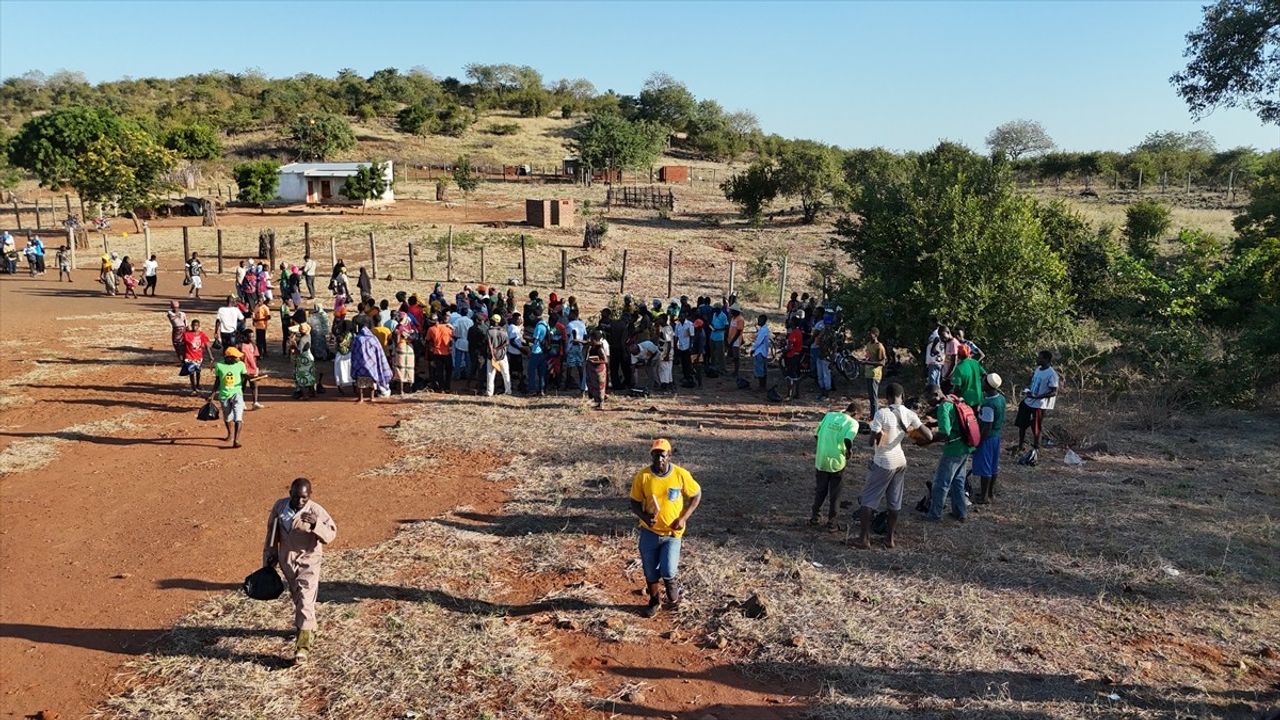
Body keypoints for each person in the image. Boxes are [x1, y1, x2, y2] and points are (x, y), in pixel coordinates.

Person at [262, 477, 337, 663]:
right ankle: (309, 627)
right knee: (298, 597)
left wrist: (315, 525)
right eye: (296, 497)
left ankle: (302, 648)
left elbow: (331, 534)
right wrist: (269, 556)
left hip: (309, 561)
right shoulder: (280, 507)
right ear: (290, 494)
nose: (300, 501)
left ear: (309, 496)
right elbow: (272, 532)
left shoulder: (316, 511)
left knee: (305, 599)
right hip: (287, 560)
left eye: (304, 498)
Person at [629, 438, 702, 617]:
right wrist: (645, 517)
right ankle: (654, 601)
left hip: (672, 533)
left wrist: (684, 517)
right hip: (650, 532)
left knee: (668, 569)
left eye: (662, 455)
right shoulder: (643, 476)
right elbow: (634, 502)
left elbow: (696, 494)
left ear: (669, 455)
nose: (658, 459)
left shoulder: (680, 474)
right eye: (655, 455)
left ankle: (670, 581)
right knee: (649, 570)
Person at [852, 382, 930, 549]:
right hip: (900, 461)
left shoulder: (882, 413)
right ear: (902, 396)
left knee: (868, 500)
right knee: (894, 502)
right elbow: (928, 435)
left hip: (883, 462)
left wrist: (877, 436)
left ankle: (863, 539)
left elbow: (872, 440)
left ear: (887, 398)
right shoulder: (910, 414)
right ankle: (890, 539)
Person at [926, 387, 975, 522]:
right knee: (958, 481)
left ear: (935, 394)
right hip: (965, 446)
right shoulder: (953, 398)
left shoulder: (943, 407)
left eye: (929, 398)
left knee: (941, 482)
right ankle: (960, 512)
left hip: (953, 449)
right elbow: (955, 419)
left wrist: (928, 439)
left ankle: (935, 514)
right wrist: (935, 423)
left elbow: (945, 432)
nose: (928, 403)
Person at [811, 403, 859, 530]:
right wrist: (849, 451)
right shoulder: (852, 423)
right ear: (855, 414)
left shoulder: (829, 415)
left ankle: (815, 517)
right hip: (837, 461)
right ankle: (832, 523)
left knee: (820, 490)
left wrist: (824, 446)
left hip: (821, 459)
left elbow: (816, 434)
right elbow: (848, 440)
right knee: (835, 493)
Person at [1015, 350, 1059, 457]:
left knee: (1036, 426)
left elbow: (1054, 392)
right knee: (1022, 424)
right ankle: (1020, 446)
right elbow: (1033, 382)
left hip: (1039, 404)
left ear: (1046, 360)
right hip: (1029, 400)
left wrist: (1037, 397)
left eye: (1040, 358)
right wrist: (1029, 391)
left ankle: (1036, 448)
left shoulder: (1052, 374)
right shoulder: (1038, 369)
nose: (1037, 359)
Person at [972, 373, 1006, 504]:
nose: (981, 384)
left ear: (988, 385)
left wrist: (978, 442)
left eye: (983, 382)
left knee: (985, 468)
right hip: (996, 436)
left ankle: (984, 496)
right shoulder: (1001, 398)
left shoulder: (988, 404)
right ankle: (990, 493)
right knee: (993, 466)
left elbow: (987, 425)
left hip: (987, 438)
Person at [207, 346, 247, 448]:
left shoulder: (241, 365)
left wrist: (251, 379)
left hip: (237, 393)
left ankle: (236, 440)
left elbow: (245, 376)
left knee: (238, 417)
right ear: (229, 357)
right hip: (224, 395)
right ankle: (230, 434)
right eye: (236, 357)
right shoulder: (219, 365)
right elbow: (217, 381)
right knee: (228, 417)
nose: (238, 359)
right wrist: (212, 394)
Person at [351, 322, 393, 402]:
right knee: (372, 379)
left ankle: (361, 398)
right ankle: (372, 397)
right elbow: (378, 350)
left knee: (360, 381)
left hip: (360, 362)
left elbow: (354, 351)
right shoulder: (373, 338)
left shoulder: (357, 338)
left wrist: (355, 361)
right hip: (371, 362)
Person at [949, 344, 985, 408]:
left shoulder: (959, 367)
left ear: (959, 355)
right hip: (978, 397)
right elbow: (984, 375)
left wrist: (951, 394)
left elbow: (957, 387)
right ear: (969, 353)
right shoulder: (975, 363)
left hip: (966, 401)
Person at [288, 323, 318, 399]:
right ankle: (312, 392)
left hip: (303, 359)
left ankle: (305, 395)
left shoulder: (302, 339)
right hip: (309, 357)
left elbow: (299, 351)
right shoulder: (308, 336)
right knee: (310, 375)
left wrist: (293, 344)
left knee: (301, 377)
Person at [485, 311, 511, 397]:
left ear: (494, 321)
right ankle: (508, 390)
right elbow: (507, 343)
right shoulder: (503, 331)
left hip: (492, 356)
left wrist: (493, 352)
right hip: (502, 355)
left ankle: (489, 392)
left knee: (490, 375)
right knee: (505, 373)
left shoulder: (489, 331)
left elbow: (489, 344)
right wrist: (499, 348)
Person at [181, 319, 211, 394]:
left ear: (199, 326)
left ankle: (197, 384)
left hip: (198, 356)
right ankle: (193, 388)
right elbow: (182, 345)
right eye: (193, 325)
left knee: (198, 371)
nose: (195, 327)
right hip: (189, 356)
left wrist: (210, 355)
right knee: (191, 372)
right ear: (191, 326)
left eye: (196, 326)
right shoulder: (186, 334)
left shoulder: (202, 334)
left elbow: (207, 345)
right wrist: (182, 355)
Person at [862, 328, 886, 416]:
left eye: (871, 334)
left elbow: (882, 362)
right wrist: (864, 361)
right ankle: (873, 415)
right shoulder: (868, 344)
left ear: (876, 335)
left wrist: (868, 362)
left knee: (874, 397)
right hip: (868, 373)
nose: (869, 335)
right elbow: (868, 357)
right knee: (871, 397)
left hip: (875, 374)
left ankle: (875, 415)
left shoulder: (879, 346)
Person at [237, 329, 264, 410]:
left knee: (254, 385)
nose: (252, 338)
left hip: (252, 369)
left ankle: (255, 402)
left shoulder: (254, 345)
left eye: (253, 336)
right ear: (245, 337)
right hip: (243, 369)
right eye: (250, 337)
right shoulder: (240, 346)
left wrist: (256, 368)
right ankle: (241, 402)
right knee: (242, 386)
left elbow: (255, 357)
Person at [526, 309, 550, 396]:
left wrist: (526, 337)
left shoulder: (538, 326)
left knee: (531, 371)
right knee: (542, 371)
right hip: (544, 350)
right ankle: (542, 390)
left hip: (537, 350)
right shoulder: (546, 324)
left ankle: (532, 390)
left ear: (534, 316)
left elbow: (535, 339)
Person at [585, 328, 609, 409]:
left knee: (599, 387)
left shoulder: (599, 348)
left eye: (591, 339)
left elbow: (605, 360)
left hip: (599, 370)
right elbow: (585, 342)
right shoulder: (593, 346)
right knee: (593, 386)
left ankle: (601, 402)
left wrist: (594, 362)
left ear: (595, 339)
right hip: (593, 370)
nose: (589, 340)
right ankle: (596, 401)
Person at [783, 317, 804, 400]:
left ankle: (789, 395)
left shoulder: (793, 333)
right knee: (796, 375)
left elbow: (790, 346)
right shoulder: (799, 332)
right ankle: (797, 393)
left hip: (792, 356)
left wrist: (784, 350)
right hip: (797, 355)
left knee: (790, 375)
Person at [451, 307, 473, 381]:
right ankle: (468, 376)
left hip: (459, 341)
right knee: (468, 360)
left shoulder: (458, 320)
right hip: (468, 342)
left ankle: (457, 375)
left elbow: (453, 328)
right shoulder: (470, 321)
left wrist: (454, 336)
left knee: (458, 360)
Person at [751, 314, 771, 390]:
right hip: (764, 351)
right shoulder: (764, 329)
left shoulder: (763, 330)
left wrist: (753, 349)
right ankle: (763, 385)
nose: (758, 321)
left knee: (760, 369)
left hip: (760, 351)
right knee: (763, 369)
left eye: (760, 320)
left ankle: (761, 386)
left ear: (764, 321)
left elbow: (758, 341)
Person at [726, 305, 745, 377]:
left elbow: (738, 332)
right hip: (731, 339)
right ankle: (734, 371)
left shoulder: (740, 319)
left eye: (732, 311)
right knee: (734, 356)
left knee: (736, 357)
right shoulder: (733, 318)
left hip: (736, 340)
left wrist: (732, 341)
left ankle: (736, 372)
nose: (731, 312)